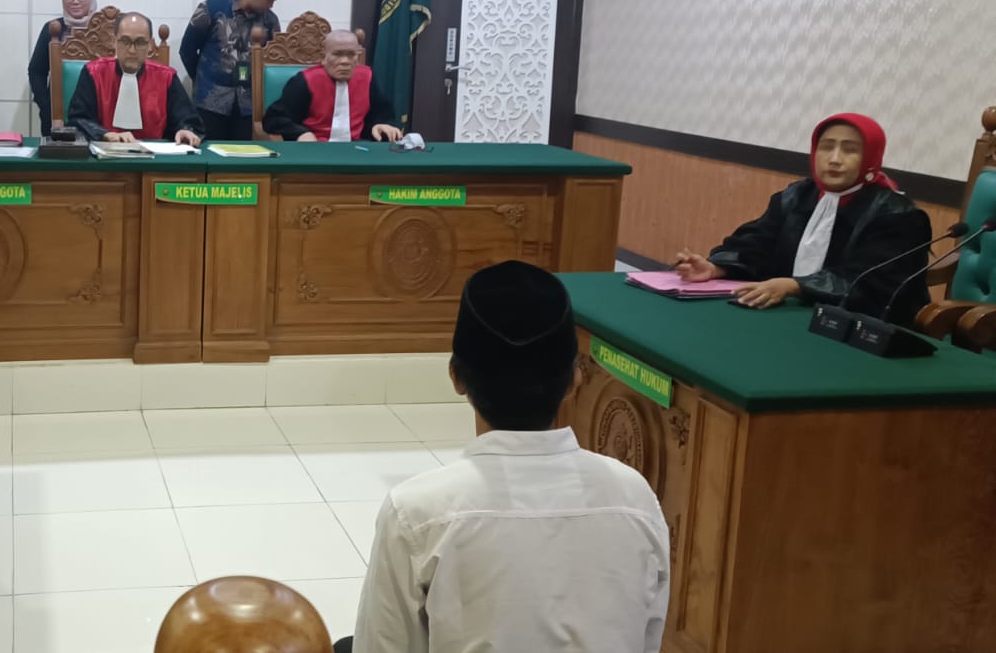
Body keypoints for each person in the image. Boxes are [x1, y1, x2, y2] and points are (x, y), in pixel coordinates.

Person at [340, 260, 670, 653]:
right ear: (574, 380)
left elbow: (383, 646)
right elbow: (648, 640)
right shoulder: (636, 498)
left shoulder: (417, 512)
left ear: (456, 377)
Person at [674, 113, 932, 323]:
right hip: (785, 315)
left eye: (850, 150)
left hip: (858, 331)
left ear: (871, 158)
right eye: (826, 147)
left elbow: (870, 283)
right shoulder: (796, 196)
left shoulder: (898, 215)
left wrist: (794, 286)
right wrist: (716, 267)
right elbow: (756, 245)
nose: (834, 159)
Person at [179, 0, 283, 141]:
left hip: (248, 106)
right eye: (269, 0)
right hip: (210, 101)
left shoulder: (270, 21)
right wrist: (201, 79)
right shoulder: (211, 9)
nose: (271, 6)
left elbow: (273, 61)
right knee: (208, 151)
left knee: (242, 155)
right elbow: (187, 49)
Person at [68, 12, 202, 145]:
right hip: (105, 153)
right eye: (125, 41)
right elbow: (78, 120)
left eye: (140, 42)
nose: (132, 50)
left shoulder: (166, 77)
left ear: (150, 45)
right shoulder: (94, 72)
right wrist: (105, 134)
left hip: (154, 156)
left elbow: (188, 120)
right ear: (114, 42)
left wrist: (185, 130)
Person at [262, 29, 403, 142]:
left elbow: (381, 114)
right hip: (314, 149)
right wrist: (300, 133)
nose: (345, 61)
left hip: (357, 149)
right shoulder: (305, 81)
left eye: (351, 55)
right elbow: (273, 119)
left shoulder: (367, 78)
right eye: (337, 54)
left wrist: (380, 125)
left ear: (358, 56)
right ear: (323, 57)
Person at [28, 0, 97, 133]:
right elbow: (36, 71)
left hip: (95, 114)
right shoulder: (53, 29)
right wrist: (46, 106)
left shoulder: (103, 29)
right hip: (56, 117)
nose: (75, 1)